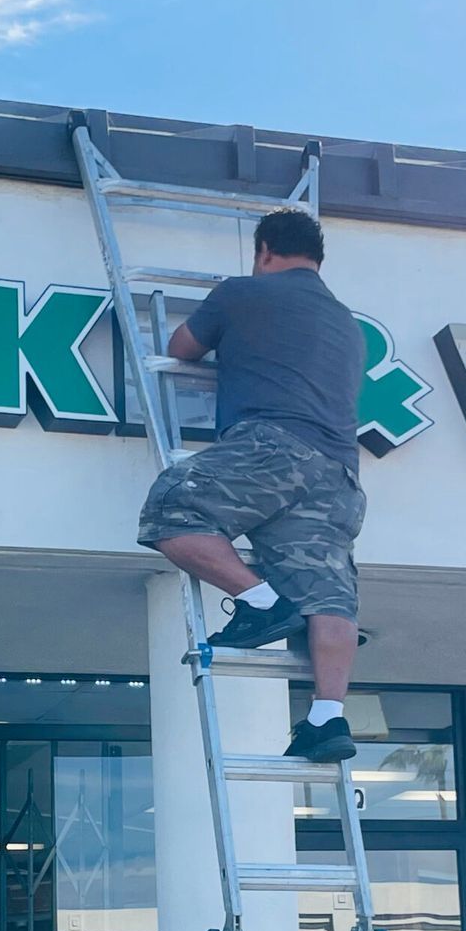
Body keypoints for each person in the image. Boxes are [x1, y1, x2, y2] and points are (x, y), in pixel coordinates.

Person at [136, 207, 367, 763]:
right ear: (317, 260)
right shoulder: (348, 324)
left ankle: (259, 601)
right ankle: (327, 718)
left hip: (271, 445)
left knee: (171, 509)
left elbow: (180, 348)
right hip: (338, 472)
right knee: (328, 592)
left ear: (264, 250)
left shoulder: (241, 293)